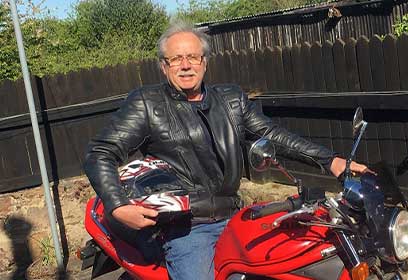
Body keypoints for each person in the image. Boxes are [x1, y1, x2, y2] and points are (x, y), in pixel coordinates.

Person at [84, 20, 370, 280]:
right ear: (164, 66)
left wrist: (330, 160)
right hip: (187, 227)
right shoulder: (147, 103)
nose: (185, 65)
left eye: (193, 57)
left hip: (235, 214)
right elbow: (100, 152)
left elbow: (272, 135)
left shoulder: (231, 99)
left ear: (204, 62)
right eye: (176, 59)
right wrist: (117, 204)